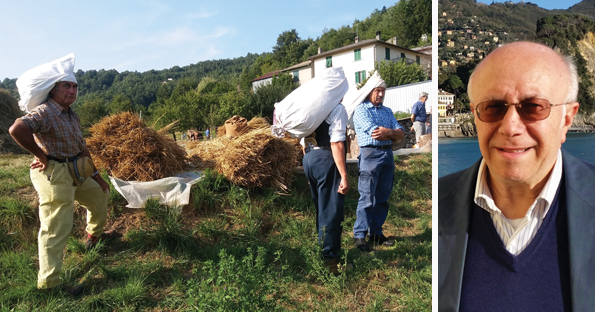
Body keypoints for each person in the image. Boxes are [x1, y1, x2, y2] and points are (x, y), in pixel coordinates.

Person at [438, 42, 595, 311]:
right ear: (476, 114)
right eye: (493, 107)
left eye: (533, 106)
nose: (510, 127)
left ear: (567, 119)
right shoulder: (439, 202)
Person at [9, 55, 113, 295]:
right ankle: (50, 284)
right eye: (66, 85)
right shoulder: (45, 111)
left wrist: (96, 175)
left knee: (99, 195)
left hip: (77, 167)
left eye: (75, 86)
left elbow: (82, 146)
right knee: (57, 224)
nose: (72, 90)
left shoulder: (71, 114)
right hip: (53, 171)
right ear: (53, 90)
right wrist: (41, 155)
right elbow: (17, 129)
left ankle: (93, 237)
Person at [352, 74, 404, 252]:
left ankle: (375, 233)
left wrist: (389, 132)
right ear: (369, 92)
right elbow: (375, 133)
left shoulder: (387, 111)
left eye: (382, 91)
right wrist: (392, 133)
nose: (380, 94)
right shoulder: (361, 110)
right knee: (366, 197)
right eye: (377, 91)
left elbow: (401, 133)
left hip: (387, 154)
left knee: (382, 197)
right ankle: (360, 235)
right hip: (370, 154)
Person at [302, 102, 349, 275]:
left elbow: (303, 140)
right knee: (331, 211)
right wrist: (344, 175)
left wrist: (309, 169)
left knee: (320, 210)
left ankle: (321, 253)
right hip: (326, 157)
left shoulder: (311, 107)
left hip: (309, 157)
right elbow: (336, 143)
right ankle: (330, 263)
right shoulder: (336, 108)